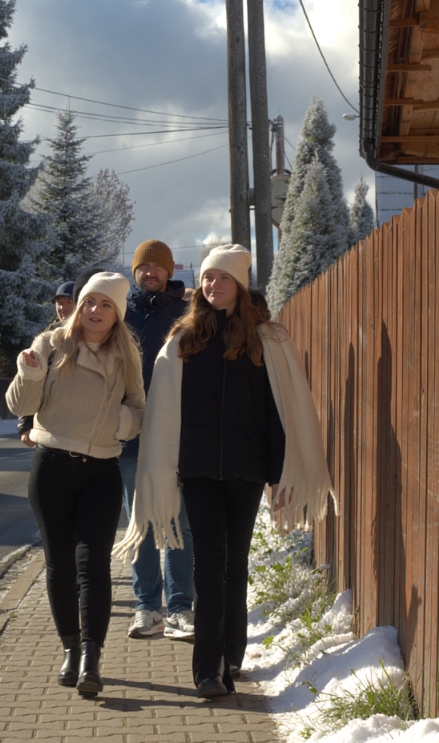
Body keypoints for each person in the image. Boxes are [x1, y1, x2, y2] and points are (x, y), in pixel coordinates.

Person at [114, 244, 334, 699]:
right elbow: (164, 412)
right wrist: (167, 465)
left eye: (223, 279)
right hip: (197, 470)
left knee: (235, 562)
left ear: (240, 285)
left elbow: (281, 413)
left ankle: (233, 651)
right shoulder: (183, 340)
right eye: (209, 278)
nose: (213, 286)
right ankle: (208, 668)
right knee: (209, 563)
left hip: (247, 469)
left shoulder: (268, 340)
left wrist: (279, 473)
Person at [7, 272, 146, 696]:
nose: (96, 311)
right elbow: (20, 406)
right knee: (59, 566)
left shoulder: (127, 354)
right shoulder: (51, 344)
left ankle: (91, 656)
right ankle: (69, 647)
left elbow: (138, 406)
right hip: (51, 467)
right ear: (79, 305)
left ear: (117, 313)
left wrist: (120, 424)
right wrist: (29, 375)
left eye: (106, 305)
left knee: (93, 566)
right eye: (89, 303)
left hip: (101, 470)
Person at [121, 240, 195, 641]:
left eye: (158, 267)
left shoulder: (188, 313)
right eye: (143, 267)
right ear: (135, 272)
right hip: (131, 436)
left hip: (177, 434)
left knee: (179, 520)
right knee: (140, 524)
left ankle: (182, 607)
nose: (151, 273)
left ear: (170, 272)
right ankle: (147, 608)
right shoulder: (121, 312)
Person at [18, 280, 80, 447]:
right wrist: (26, 424)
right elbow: (31, 379)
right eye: (59, 303)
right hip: (50, 424)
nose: (62, 307)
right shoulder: (48, 336)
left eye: (69, 301)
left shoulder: (96, 336)